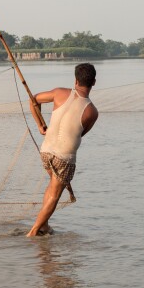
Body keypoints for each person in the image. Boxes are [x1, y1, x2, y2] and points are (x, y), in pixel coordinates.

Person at [27, 63, 99, 237]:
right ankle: (34, 231)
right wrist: (41, 124)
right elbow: (80, 134)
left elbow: (33, 100)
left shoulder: (59, 93)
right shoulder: (92, 111)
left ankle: (44, 226)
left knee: (52, 187)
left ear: (75, 80)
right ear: (94, 82)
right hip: (64, 158)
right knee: (55, 194)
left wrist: (40, 125)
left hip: (46, 151)